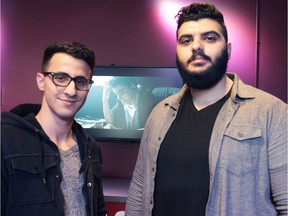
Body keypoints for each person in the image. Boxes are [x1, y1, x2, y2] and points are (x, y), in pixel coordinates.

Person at [125, 3, 287, 216]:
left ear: (228, 50)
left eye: (209, 38)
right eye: (186, 40)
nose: (196, 46)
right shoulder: (159, 113)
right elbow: (139, 190)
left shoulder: (272, 113)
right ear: (177, 51)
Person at [1, 41, 107, 216]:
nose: (71, 91)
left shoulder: (91, 148)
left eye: (80, 81)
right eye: (61, 78)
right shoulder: (6, 140)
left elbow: (98, 209)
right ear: (41, 81)